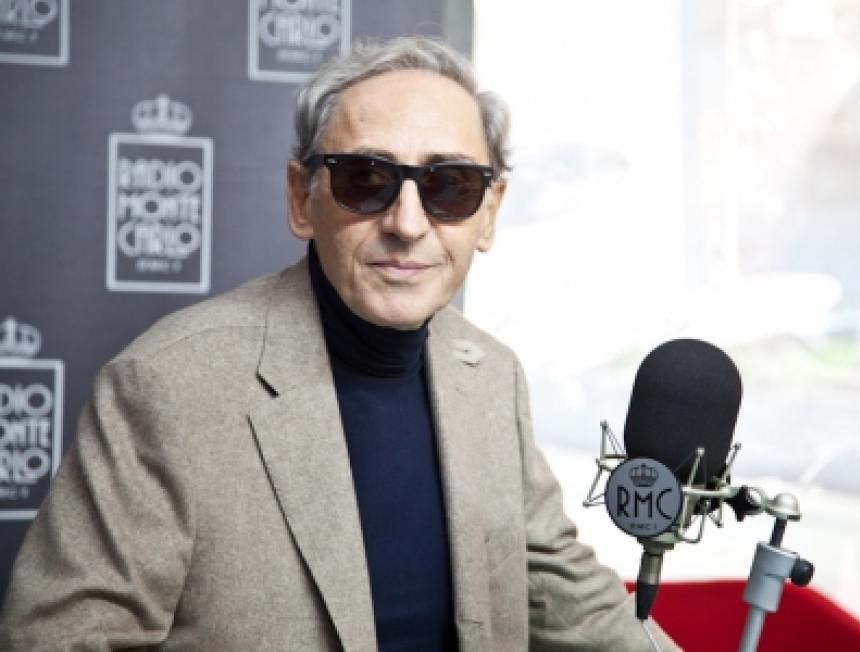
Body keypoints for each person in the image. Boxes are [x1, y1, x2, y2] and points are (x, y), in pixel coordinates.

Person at [0, 37, 678, 651]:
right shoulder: (167, 383)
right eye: (367, 180)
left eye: (449, 187)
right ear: (303, 198)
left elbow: (560, 587)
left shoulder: (491, 375)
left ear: (488, 214)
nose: (408, 223)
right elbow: (57, 638)